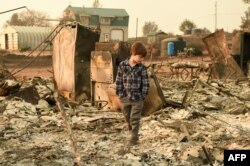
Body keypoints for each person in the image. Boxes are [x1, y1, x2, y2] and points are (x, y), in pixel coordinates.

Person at [115, 41, 150, 146]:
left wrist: (142, 96)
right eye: (140, 57)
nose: (142, 59)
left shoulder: (142, 68)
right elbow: (118, 80)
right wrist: (120, 94)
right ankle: (131, 131)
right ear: (133, 54)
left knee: (135, 118)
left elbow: (146, 83)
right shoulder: (122, 65)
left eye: (143, 57)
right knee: (127, 117)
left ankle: (134, 138)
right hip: (125, 98)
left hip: (137, 99)